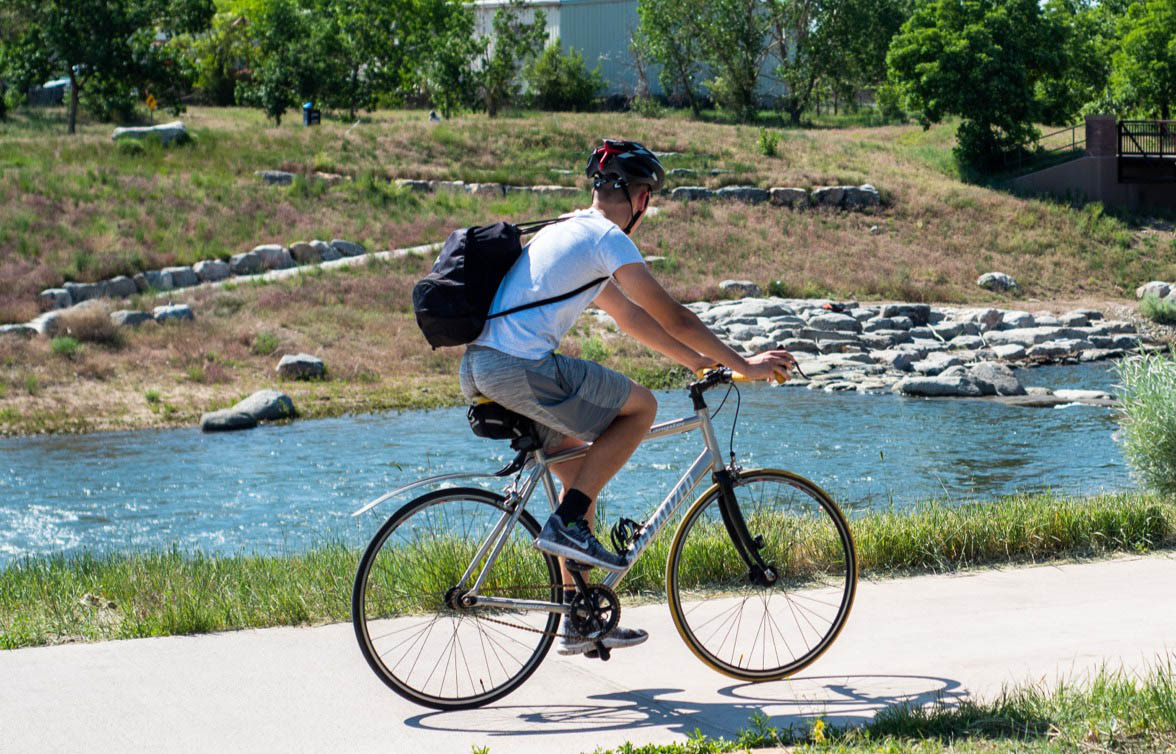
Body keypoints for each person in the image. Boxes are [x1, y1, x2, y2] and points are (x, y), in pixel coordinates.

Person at [459, 139, 797, 655]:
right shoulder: (605, 238)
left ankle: (581, 618)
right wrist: (743, 363)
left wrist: (695, 361)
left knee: (580, 479)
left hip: (483, 368)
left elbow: (630, 316)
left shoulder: (568, 232)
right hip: (520, 367)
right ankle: (568, 525)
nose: (648, 205)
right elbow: (672, 314)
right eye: (648, 195)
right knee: (642, 407)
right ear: (638, 196)